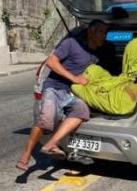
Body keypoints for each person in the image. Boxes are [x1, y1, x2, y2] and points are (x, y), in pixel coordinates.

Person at [16, 20, 108, 170]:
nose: (104, 36)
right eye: (101, 32)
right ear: (91, 32)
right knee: (46, 119)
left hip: (71, 92)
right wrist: (74, 78)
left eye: (105, 32)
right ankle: (25, 156)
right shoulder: (72, 43)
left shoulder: (97, 55)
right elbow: (51, 62)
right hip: (54, 87)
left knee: (82, 111)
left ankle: (52, 143)